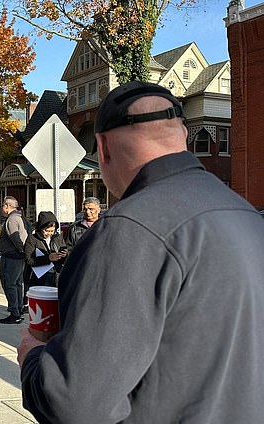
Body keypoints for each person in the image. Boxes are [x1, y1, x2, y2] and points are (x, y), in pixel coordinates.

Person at [18, 81, 264, 423]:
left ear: (102, 148)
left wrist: (32, 358)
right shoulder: (248, 216)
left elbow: (75, 402)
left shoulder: (128, 229)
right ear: (182, 137)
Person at [0, 196, 28, 324]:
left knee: (9, 283)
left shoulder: (12, 219)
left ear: (7, 206)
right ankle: (18, 310)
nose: (2, 208)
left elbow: (16, 238)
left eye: (3, 206)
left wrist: (21, 250)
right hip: (17, 256)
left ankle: (15, 312)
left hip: (12, 257)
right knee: (17, 283)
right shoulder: (20, 217)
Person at [23, 211, 67, 289]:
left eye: (52, 231)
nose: (49, 233)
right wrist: (48, 258)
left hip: (56, 275)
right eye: (47, 231)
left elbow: (65, 255)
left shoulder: (57, 238)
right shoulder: (32, 239)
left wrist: (64, 255)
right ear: (41, 228)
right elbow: (28, 259)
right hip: (39, 278)